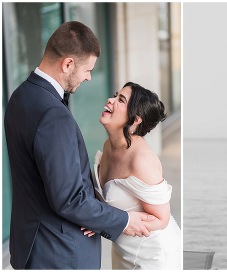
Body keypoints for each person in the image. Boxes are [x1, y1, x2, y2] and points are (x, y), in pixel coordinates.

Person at [4, 21, 156, 269]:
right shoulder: (53, 114)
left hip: (31, 243)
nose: (89, 77)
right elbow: (69, 200)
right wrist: (124, 220)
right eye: (87, 69)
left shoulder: (20, 96)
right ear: (67, 64)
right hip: (61, 252)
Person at [93, 82, 182, 269]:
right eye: (116, 95)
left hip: (153, 256)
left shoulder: (142, 160)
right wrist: (95, 218)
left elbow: (161, 218)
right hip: (123, 251)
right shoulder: (109, 146)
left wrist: (105, 222)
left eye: (121, 100)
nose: (111, 100)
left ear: (135, 120)